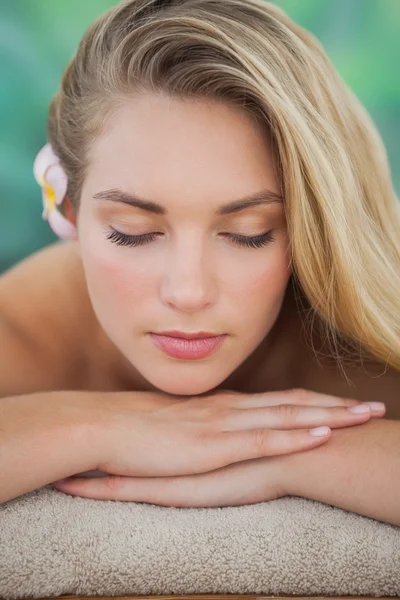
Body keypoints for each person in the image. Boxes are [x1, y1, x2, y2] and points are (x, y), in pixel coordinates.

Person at [0, 0, 399, 523]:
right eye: (132, 233)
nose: (188, 292)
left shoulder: (364, 342)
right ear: (69, 210)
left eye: (247, 235)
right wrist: (95, 425)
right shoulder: (19, 333)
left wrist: (298, 454)